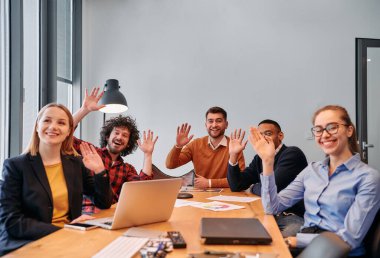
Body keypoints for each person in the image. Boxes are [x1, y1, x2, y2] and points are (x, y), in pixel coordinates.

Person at [249, 105, 380, 257]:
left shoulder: (368, 178)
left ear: (349, 130)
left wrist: (296, 241)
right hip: (304, 246)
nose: (324, 134)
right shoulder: (312, 171)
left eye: (332, 127)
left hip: (337, 252)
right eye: (318, 129)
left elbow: (349, 238)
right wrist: (267, 162)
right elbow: (272, 207)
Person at [0, 103, 113, 255]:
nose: (53, 126)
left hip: (68, 240)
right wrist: (64, 230)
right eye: (47, 120)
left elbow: (103, 203)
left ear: (68, 132)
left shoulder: (77, 163)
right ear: (37, 127)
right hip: (27, 243)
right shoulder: (15, 166)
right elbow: (11, 222)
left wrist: (100, 171)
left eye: (61, 122)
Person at [73, 88, 158, 213]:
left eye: (124, 135)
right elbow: (65, 135)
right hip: (86, 213)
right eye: (116, 133)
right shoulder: (90, 152)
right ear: (107, 136)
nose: (119, 137)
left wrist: (148, 154)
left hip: (111, 215)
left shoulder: (127, 169)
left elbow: (142, 188)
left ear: (128, 144)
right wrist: (84, 110)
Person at [227, 119, 308, 237]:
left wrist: (252, 187)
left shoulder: (292, 153)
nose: (263, 138)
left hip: (289, 215)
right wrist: (233, 155)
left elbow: (274, 187)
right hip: (265, 212)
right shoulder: (259, 158)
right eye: (260, 135)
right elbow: (236, 185)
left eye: (268, 134)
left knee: (281, 243)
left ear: (280, 136)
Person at [166, 106, 245, 188]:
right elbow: (170, 165)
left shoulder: (234, 147)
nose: (214, 125)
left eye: (219, 121)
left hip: (227, 195)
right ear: (206, 125)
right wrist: (178, 146)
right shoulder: (195, 144)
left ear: (226, 124)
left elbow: (241, 179)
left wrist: (210, 183)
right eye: (210, 121)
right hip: (201, 195)